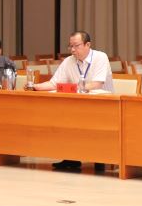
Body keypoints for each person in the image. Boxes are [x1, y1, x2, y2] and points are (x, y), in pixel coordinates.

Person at [34, 31, 113, 171]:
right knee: (63, 115)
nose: (72, 50)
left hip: (103, 106)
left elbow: (97, 84)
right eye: (70, 46)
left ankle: (100, 158)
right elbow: (54, 83)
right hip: (79, 105)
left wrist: (74, 88)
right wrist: (36, 86)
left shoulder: (100, 57)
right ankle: (71, 157)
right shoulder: (69, 61)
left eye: (76, 46)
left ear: (87, 45)